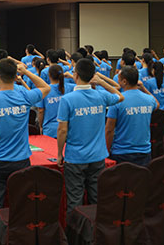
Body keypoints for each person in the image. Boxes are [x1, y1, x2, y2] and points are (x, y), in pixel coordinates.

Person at [0, 59, 50, 234]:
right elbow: (46, 88)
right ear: (15, 76)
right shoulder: (25, 96)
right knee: (21, 204)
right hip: (20, 161)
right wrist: (26, 72)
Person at [57, 58, 124, 218]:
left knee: (75, 201)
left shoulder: (67, 99)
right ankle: (96, 229)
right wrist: (101, 82)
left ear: (76, 75)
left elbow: (62, 130)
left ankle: (76, 231)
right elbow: (120, 96)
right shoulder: (101, 95)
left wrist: (59, 153)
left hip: (75, 157)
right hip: (98, 156)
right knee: (96, 199)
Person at [105, 66, 157, 167]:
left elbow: (109, 130)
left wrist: (106, 152)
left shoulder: (117, 101)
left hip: (121, 153)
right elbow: (157, 104)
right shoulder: (149, 100)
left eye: (118, 78)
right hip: (144, 153)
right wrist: (144, 89)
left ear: (124, 81)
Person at [37, 64, 72, 138]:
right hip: (67, 128)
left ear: (49, 75)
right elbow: (86, 86)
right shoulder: (70, 87)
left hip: (50, 130)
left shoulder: (44, 90)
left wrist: (40, 126)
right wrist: (72, 76)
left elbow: (41, 110)